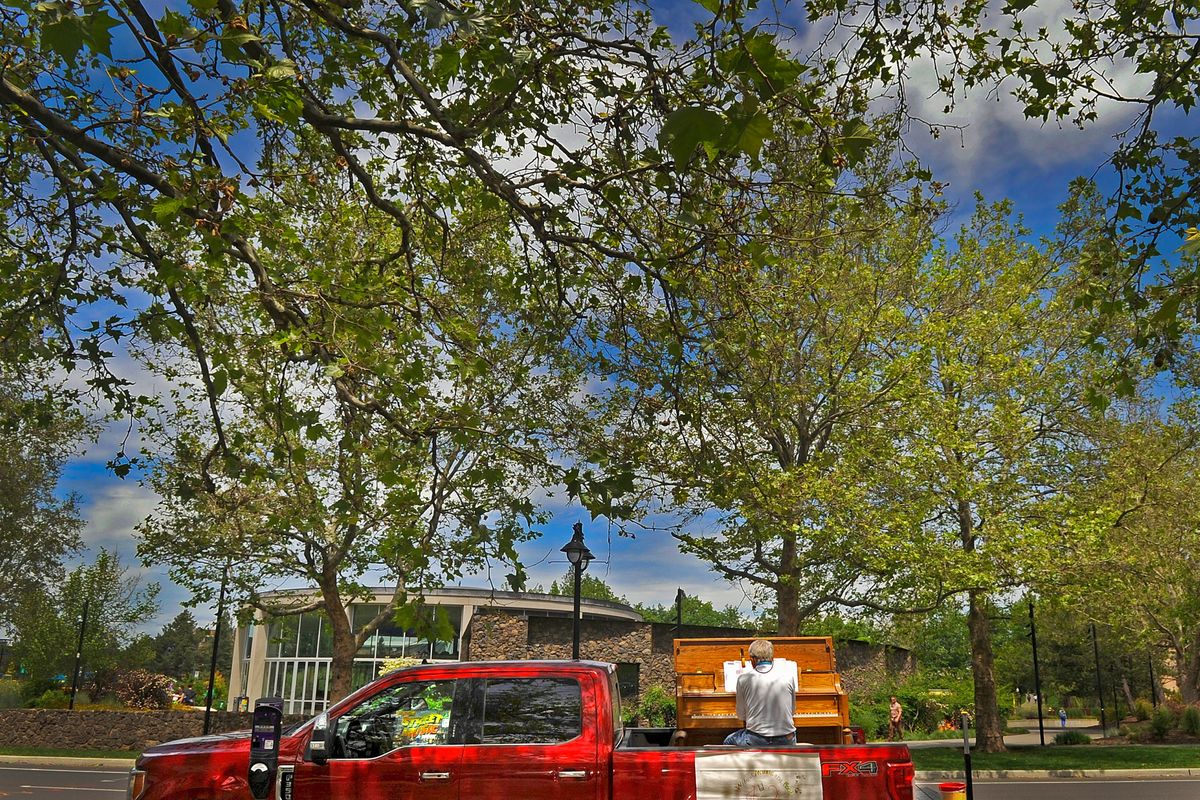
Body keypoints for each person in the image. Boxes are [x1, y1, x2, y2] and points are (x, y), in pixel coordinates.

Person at [723, 639, 797, 747]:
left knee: (728, 741)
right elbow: (792, 711)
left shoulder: (743, 679)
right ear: (772, 658)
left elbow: (741, 715)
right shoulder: (788, 677)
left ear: (752, 660)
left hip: (756, 739)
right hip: (787, 739)